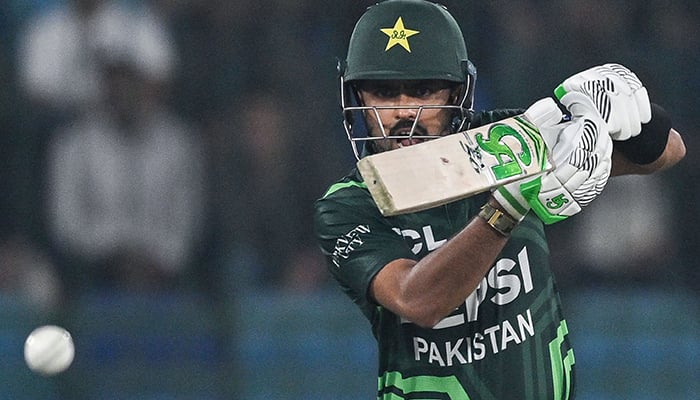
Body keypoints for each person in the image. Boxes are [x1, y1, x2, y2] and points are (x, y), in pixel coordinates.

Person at [313, 1, 686, 399]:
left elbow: (669, 151)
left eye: (424, 89)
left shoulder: (503, 140)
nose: (405, 111)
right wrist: (507, 206)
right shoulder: (348, 204)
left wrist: (623, 111)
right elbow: (418, 300)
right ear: (356, 97)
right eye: (384, 93)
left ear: (457, 91)